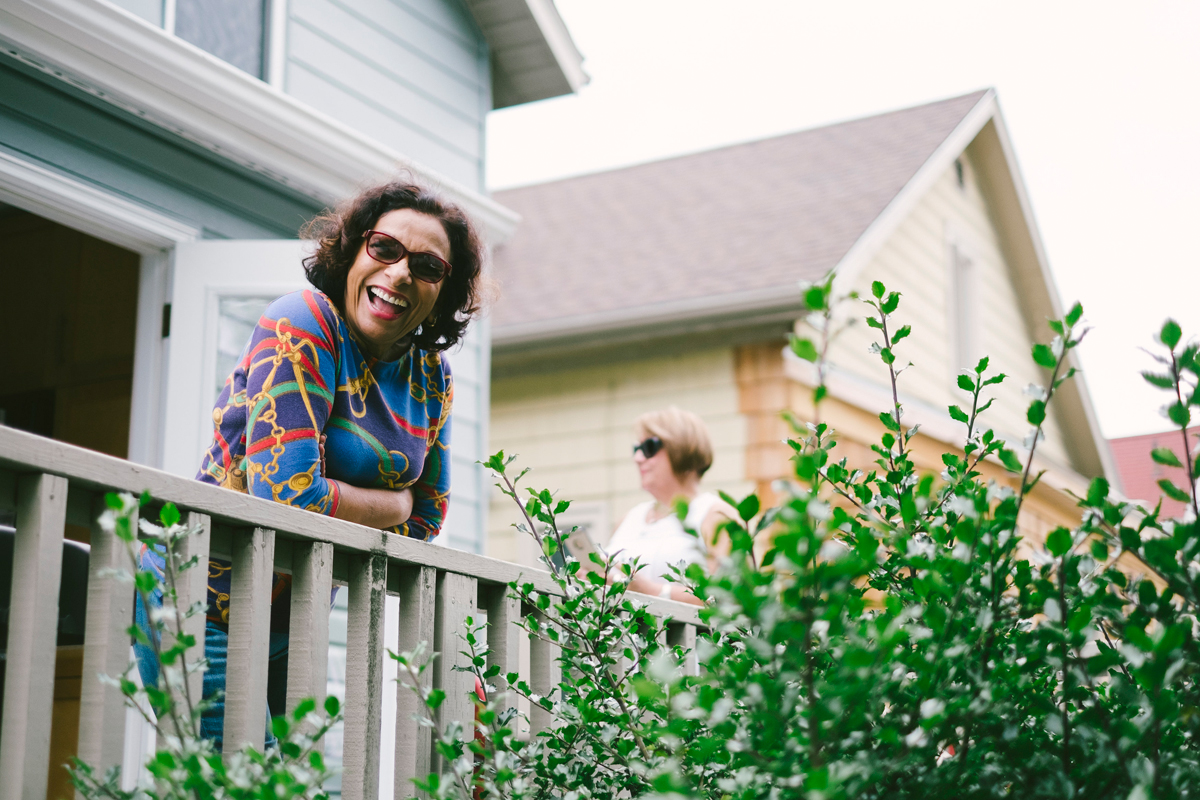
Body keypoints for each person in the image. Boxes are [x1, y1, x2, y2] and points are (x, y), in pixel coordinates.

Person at [136, 180, 485, 750]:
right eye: (384, 248)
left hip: (293, 614)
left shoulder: (432, 375)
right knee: (243, 782)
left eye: (427, 265)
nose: (399, 273)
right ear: (352, 252)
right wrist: (394, 502)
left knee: (280, 781)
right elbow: (288, 497)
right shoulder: (303, 320)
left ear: (442, 293)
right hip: (200, 595)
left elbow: (427, 522)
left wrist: (380, 504)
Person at [604, 407, 735, 606]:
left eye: (649, 447)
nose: (638, 458)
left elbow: (726, 597)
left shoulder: (715, 514)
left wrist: (650, 591)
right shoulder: (630, 517)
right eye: (636, 449)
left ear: (683, 447)